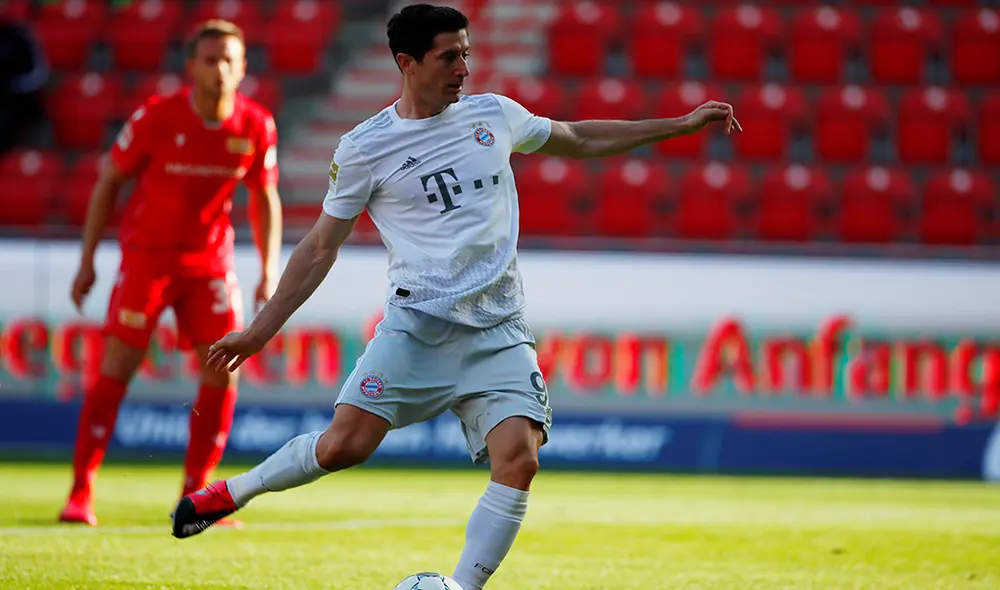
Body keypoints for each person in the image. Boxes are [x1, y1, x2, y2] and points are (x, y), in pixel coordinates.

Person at [172, 5, 739, 589]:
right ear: (406, 63)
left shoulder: (493, 116)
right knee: (343, 447)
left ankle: (459, 588)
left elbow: (578, 137)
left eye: (466, 53)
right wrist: (260, 330)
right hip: (417, 330)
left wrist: (677, 125)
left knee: (519, 459)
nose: (464, 68)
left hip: (498, 330)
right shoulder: (366, 147)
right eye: (449, 57)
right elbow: (319, 247)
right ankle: (232, 492)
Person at [59, 19, 283, 527]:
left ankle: (195, 495)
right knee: (117, 364)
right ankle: (80, 492)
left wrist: (269, 269)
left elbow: (264, 198)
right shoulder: (156, 118)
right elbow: (109, 183)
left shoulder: (256, 125)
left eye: (230, 60)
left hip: (210, 263)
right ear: (192, 68)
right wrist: (89, 259)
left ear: (243, 67)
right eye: (210, 60)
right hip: (148, 258)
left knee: (225, 369)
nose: (220, 70)